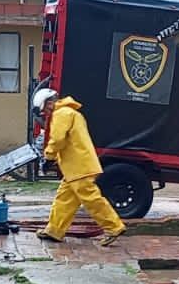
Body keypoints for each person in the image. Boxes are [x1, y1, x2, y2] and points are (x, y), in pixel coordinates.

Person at [32, 87, 127, 247]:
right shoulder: (72, 113)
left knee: (91, 199)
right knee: (64, 199)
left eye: (45, 110)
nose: (46, 114)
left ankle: (113, 227)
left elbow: (58, 139)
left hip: (78, 167)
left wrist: (49, 157)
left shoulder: (61, 114)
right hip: (76, 167)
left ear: (48, 104)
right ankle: (54, 230)